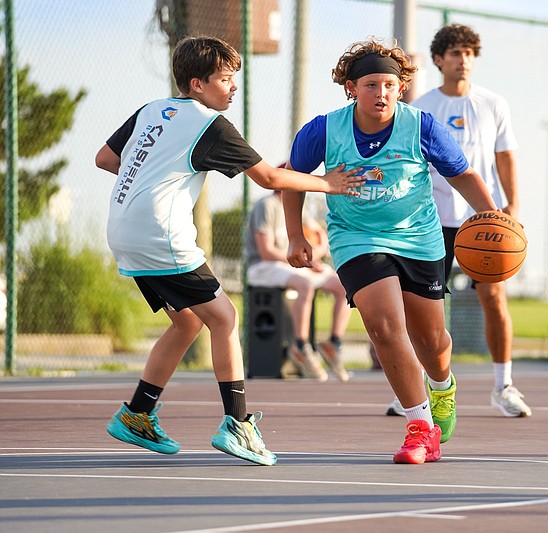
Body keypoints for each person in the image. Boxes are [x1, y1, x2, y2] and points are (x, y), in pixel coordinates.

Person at [95, 36, 363, 465]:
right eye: (225, 79)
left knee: (187, 323)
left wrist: (150, 180)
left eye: (235, 78)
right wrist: (328, 183)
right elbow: (271, 180)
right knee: (224, 318)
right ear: (198, 84)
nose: (233, 87)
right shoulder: (208, 124)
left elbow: (105, 159)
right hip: (158, 236)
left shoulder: (152, 110)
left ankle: (137, 414)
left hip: (123, 231)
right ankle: (238, 425)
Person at [282, 38, 497, 464]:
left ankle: (442, 386)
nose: (381, 92)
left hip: (418, 237)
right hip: (355, 237)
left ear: (401, 88)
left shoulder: (421, 126)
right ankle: (420, 430)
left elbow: (463, 174)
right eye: (370, 84)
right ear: (351, 88)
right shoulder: (324, 130)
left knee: (432, 341)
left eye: (389, 84)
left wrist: (494, 216)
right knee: (383, 326)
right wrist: (295, 236)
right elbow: (292, 178)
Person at [385, 24, 530, 419]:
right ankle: (414, 388)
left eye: (469, 53)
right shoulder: (422, 108)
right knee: (421, 307)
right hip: (430, 220)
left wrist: (511, 205)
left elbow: (505, 156)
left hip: (484, 219)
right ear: (438, 60)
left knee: (494, 298)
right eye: (455, 54)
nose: (463, 60)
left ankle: (503, 386)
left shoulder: (494, 104)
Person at [245, 190, 351, 382]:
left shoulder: (295, 206)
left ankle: (333, 344)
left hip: (291, 264)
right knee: (305, 284)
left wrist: (315, 253)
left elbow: (320, 233)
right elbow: (266, 251)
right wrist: (304, 262)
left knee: (344, 285)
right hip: (262, 266)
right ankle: (300, 346)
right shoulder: (267, 205)